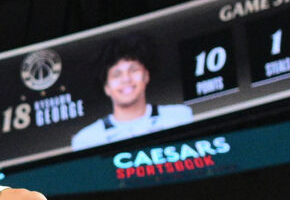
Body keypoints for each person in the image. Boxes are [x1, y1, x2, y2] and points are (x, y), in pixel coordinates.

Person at [65, 36, 195, 148]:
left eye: (133, 70)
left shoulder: (179, 116)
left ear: (146, 76)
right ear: (106, 87)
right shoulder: (87, 139)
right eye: (117, 74)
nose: (126, 79)